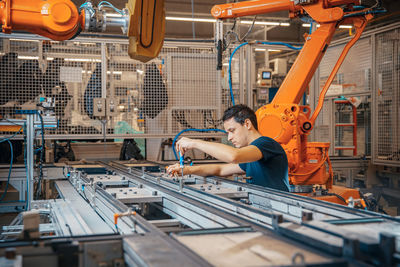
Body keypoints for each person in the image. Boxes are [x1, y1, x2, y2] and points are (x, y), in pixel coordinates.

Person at [167, 104, 290, 191]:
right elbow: (220, 169)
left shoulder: (266, 144)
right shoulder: (252, 155)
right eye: (228, 133)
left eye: (232, 131)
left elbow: (234, 156)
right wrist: (185, 170)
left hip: (279, 210)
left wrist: (194, 143)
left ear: (247, 124)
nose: (230, 138)